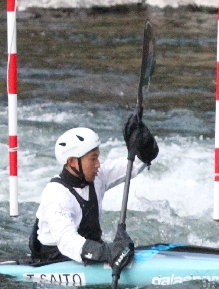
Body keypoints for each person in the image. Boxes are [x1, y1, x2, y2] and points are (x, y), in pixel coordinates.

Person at [29, 115, 159, 269]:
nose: (98, 164)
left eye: (98, 157)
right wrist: (106, 252)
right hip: (55, 260)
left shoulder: (96, 177)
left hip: (88, 252)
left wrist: (144, 148)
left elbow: (131, 167)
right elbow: (67, 241)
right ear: (72, 161)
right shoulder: (56, 194)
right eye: (93, 159)